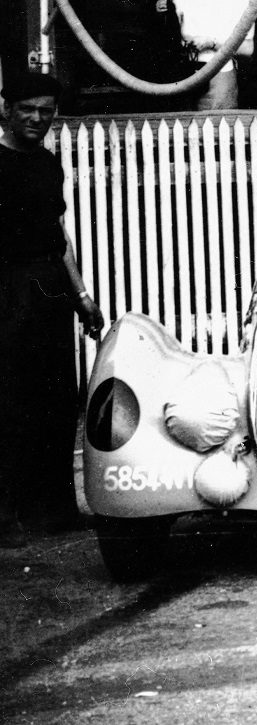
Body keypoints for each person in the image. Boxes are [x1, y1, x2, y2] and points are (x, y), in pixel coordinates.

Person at [0, 73, 104, 546]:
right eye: (28, 109)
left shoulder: (46, 164)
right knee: (10, 401)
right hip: (6, 286)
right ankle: (8, 515)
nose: (38, 119)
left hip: (48, 289)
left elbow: (58, 235)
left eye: (46, 111)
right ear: (7, 110)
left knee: (58, 400)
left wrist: (82, 297)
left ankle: (56, 509)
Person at [172, 0, 254, 110]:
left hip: (220, 77)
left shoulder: (239, 1)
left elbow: (247, 48)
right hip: (184, 75)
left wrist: (213, 43)